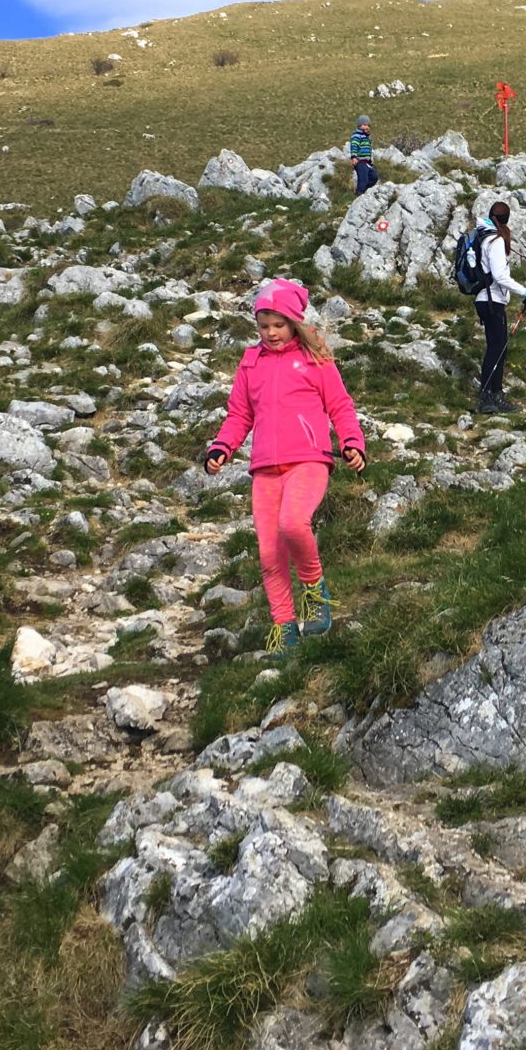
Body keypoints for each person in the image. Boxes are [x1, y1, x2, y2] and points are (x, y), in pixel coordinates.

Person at [202, 278, 367, 651]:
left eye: (279, 325)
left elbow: (340, 407)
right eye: (264, 326)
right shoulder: (250, 363)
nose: (271, 333)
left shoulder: (315, 358)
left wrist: (353, 443)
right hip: (265, 468)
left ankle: (314, 590)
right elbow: (239, 415)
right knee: (269, 553)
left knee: (294, 523)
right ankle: (285, 629)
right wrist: (222, 447)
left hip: (309, 460)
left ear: (294, 322)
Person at [473, 200, 526, 414]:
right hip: (493, 301)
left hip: (484, 299)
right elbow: (500, 276)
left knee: (498, 347)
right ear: (507, 220)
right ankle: (488, 397)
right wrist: (524, 291)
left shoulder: (484, 237)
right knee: (497, 349)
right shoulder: (496, 240)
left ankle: (494, 393)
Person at [350, 115, 377, 195]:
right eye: (365, 125)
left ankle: (363, 189)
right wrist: (354, 157)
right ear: (359, 125)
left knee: (374, 177)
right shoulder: (357, 136)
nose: (367, 127)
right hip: (360, 162)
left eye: (368, 125)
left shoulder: (367, 137)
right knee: (363, 179)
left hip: (368, 163)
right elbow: (354, 146)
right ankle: (359, 193)